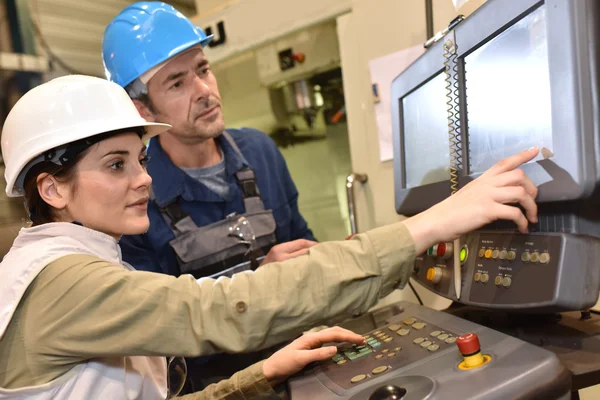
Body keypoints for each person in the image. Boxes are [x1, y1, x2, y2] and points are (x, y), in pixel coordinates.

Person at [0, 75, 540, 399]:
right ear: (53, 188)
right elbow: (218, 310)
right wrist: (431, 224)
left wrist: (260, 375)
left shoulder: (74, 262)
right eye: (116, 165)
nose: (143, 178)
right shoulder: (59, 281)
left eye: (139, 160)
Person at [102, 2, 317, 281]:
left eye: (202, 70)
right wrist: (258, 286)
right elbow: (159, 317)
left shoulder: (260, 152)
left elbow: (303, 245)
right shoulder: (132, 199)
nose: (204, 90)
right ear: (142, 110)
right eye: (177, 83)